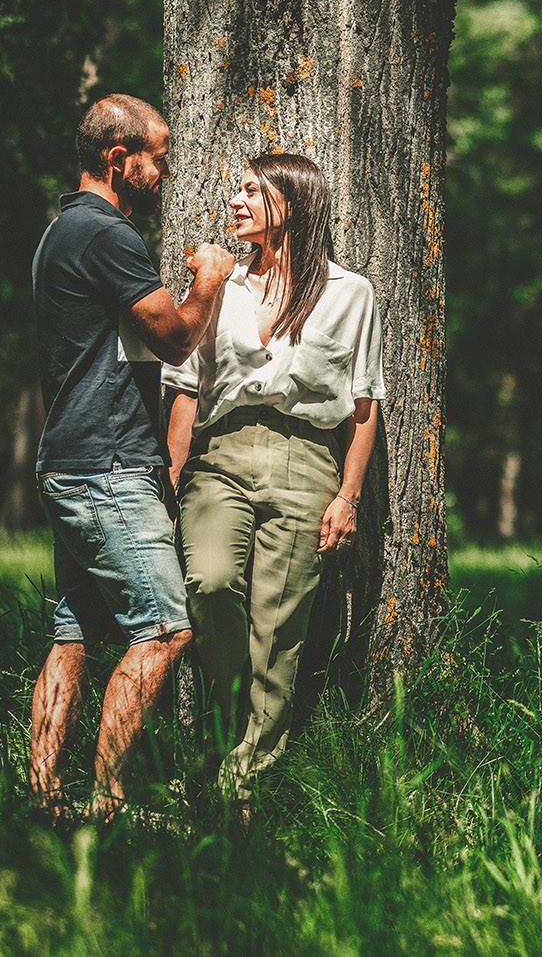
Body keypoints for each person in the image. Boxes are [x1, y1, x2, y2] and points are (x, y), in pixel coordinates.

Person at [30, 94, 236, 821]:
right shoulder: (107, 234)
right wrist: (209, 276)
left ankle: (45, 797)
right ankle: (107, 801)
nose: (166, 169)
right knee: (165, 627)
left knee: (73, 632)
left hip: (70, 458)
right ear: (118, 159)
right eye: (158, 155)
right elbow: (177, 337)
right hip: (108, 464)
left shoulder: (60, 232)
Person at [165, 151, 383, 802]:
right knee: (209, 582)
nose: (236, 199)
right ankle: (228, 721)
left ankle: (242, 784)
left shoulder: (351, 294)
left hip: (308, 458)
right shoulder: (217, 289)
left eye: (253, 191)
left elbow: (365, 406)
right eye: (238, 187)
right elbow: (182, 389)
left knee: (279, 624)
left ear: (293, 203)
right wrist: (171, 479)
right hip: (221, 455)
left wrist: (348, 496)